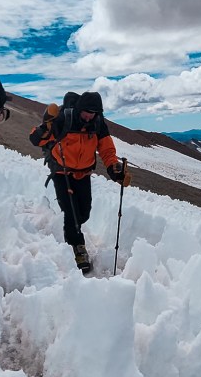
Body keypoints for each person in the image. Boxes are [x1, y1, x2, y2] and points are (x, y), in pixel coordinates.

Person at [29, 90, 131, 274]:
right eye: (86, 112)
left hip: (83, 173)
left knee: (84, 212)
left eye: (93, 113)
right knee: (72, 212)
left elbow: (107, 150)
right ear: (79, 108)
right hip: (62, 171)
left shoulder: (98, 124)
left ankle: (73, 231)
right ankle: (78, 248)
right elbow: (36, 138)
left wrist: (114, 170)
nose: (89, 116)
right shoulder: (64, 119)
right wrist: (43, 130)